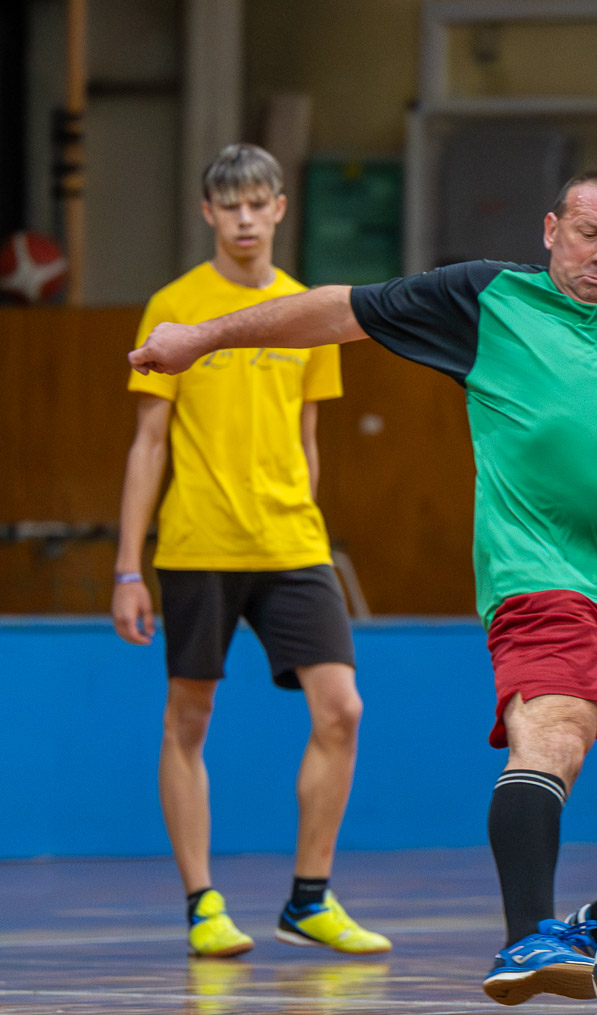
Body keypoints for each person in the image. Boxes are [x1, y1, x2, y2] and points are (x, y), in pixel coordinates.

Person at [127, 86, 597, 1015]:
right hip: (541, 579)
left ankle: (595, 934)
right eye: (586, 234)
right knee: (556, 732)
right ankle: (527, 934)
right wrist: (203, 340)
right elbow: (335, 311)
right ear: (551, 231)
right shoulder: (488, 298)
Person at [113, 143, 389, 959]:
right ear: (208, 213)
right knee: (188, 716)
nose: (243, 218)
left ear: (278, 209)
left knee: (342, 708)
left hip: (291, 541)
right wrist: (128, 567)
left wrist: (306, 515)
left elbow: (309, 435)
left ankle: (309, 900)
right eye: (228, 205)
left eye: (256, 203)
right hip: (199, 539)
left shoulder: (308, 311)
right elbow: (148, 443)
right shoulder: (174, 307)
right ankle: (202, 903)